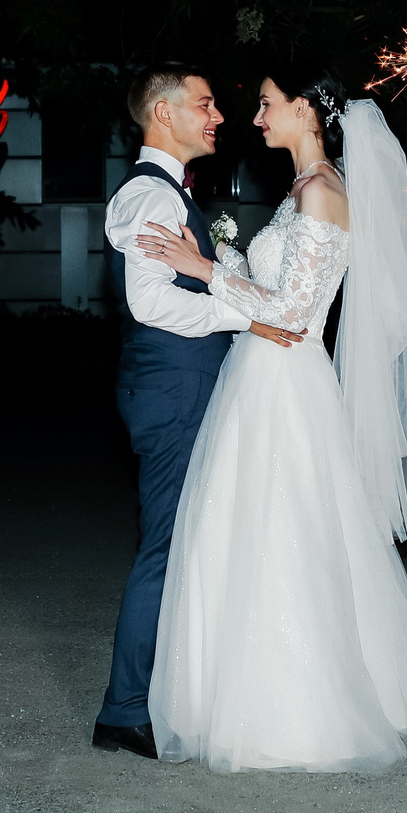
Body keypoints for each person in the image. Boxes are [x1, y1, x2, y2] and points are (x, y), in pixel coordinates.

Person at [137, 75, 407, 771]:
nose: (254, 116)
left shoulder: (321, 191)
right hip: (260, 376)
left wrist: (204, 269)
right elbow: (280, 291)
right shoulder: (304, 186)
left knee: (282, 530)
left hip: (285, 379)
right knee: (250, 526)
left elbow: (293, 313)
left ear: (307, 110)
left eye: (266, 103)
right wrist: (218, 254)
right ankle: (228, 691)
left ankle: (297, 711)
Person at [92, 67, 284, 760]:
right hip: (173, 390)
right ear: (163, 113)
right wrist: (243, 311)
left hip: (175, 384)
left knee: (184, 543)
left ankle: (167, 692)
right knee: (167, 548)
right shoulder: (150, 195)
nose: (218, 115)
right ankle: (123, 709)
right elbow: (150, 303)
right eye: (205, 104)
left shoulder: (165, 192)